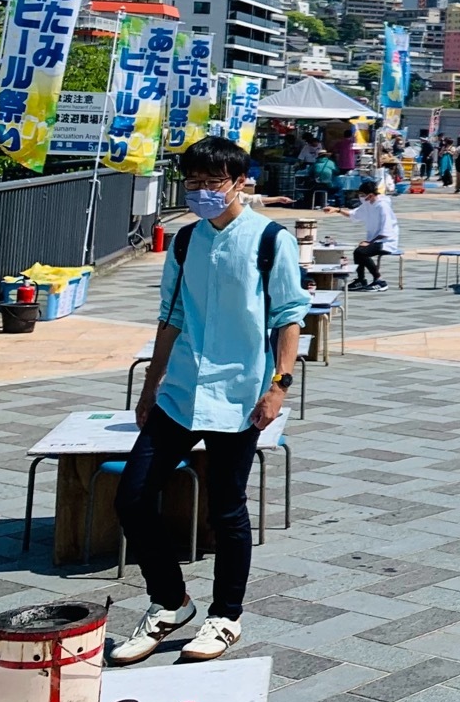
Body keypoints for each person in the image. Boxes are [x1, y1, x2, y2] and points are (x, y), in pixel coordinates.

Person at [113, 135, 307, 665]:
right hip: (180, 390)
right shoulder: (184, 240)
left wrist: (278, 385)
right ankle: (171, 601)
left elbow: (289, 314)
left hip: (240, 394)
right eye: (192, 183)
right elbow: (170, 315)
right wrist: (150, 386)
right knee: (131, 497)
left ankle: (226, 615)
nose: (200, 192)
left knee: (226, 509)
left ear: (239, 181)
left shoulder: (270, 240)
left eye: (211, 183)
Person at [350, 180, 399, 290]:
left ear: (371, 195)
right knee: (358, 252)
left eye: (363, 195)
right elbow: (354, 214)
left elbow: (386, 232)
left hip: (386, 242)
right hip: (375, 240)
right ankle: (361, 280)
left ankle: (380, 280)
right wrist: (337, 210)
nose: (361, 197)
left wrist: (369, 242)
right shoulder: (368, 204)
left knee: (360, 252)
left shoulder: (383, 207)